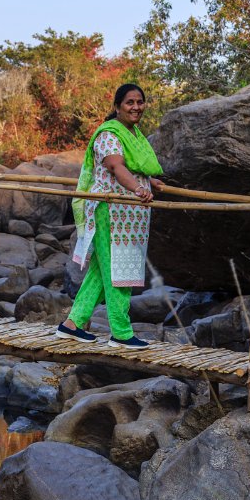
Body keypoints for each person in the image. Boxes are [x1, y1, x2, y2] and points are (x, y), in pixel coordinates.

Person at [56, 83, 164, 349]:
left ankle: (71, 324)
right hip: (110, 213)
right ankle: (121, 332)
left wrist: (148, 180)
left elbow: (133, 167)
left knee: (101, 270)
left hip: (130, 214)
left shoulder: (134, 133)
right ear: (117, 106)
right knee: (119, 269)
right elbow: (116, 167)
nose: (136, 107)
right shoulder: (108, 134)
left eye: (140, 102)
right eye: (130, 102)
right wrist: (139, 187)